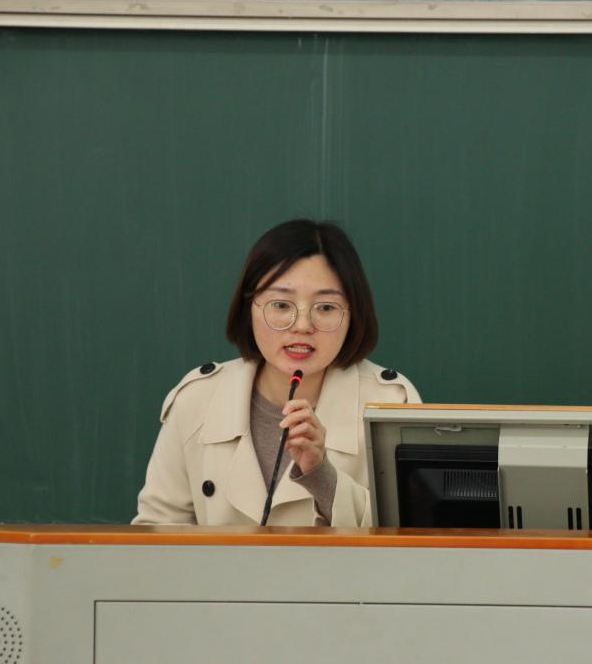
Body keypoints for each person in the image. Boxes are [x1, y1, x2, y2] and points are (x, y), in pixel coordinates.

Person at [133, 219, 420, 526]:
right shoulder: (197, 400)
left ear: (353, 314)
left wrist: (321, 474)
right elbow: (155, 536)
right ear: (249, 308)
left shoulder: (391, 404)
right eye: (281, 305)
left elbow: (414, 538)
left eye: (325, 307)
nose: (302, 325)